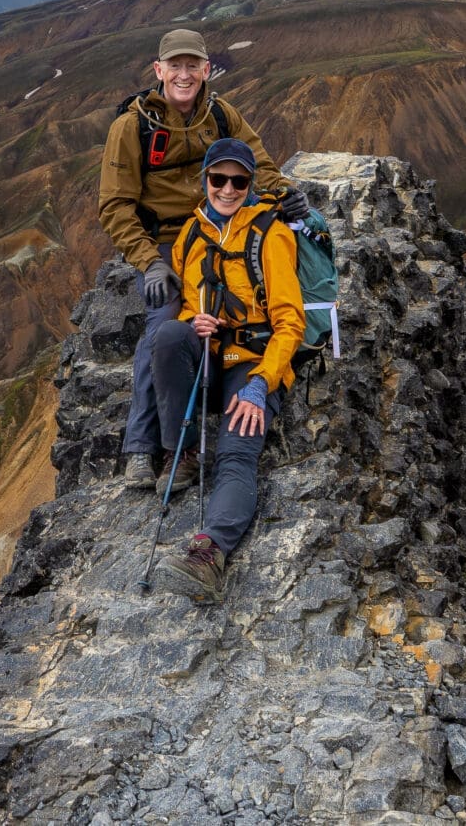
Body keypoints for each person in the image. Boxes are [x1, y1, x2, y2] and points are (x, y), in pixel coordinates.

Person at [98, 28, 303, 488]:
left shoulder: (221, 115)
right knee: (164, 324)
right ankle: (143, 447)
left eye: (193, 65)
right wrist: (150, 262)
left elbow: (258, 163)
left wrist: (285, 193)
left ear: (207, 69)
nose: (184, 75)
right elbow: (114, 205)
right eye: (175, 66)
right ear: (159, 70)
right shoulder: (132, 127)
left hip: (221, 226)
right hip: (168, 241)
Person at [147, 138, 305, 601]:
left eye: (239, 181)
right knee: (169, 335)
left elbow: (290, 322)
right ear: (206, 181)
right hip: (210, 356)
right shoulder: (191, 235)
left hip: (251, 365)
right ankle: (183, 452)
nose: (228, 189)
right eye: (219, 179)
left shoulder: (271, 234)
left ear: (251, 184)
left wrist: (261, 384)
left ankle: (209, 554)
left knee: (236, 454)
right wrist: (193, 321)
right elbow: (185, 305)